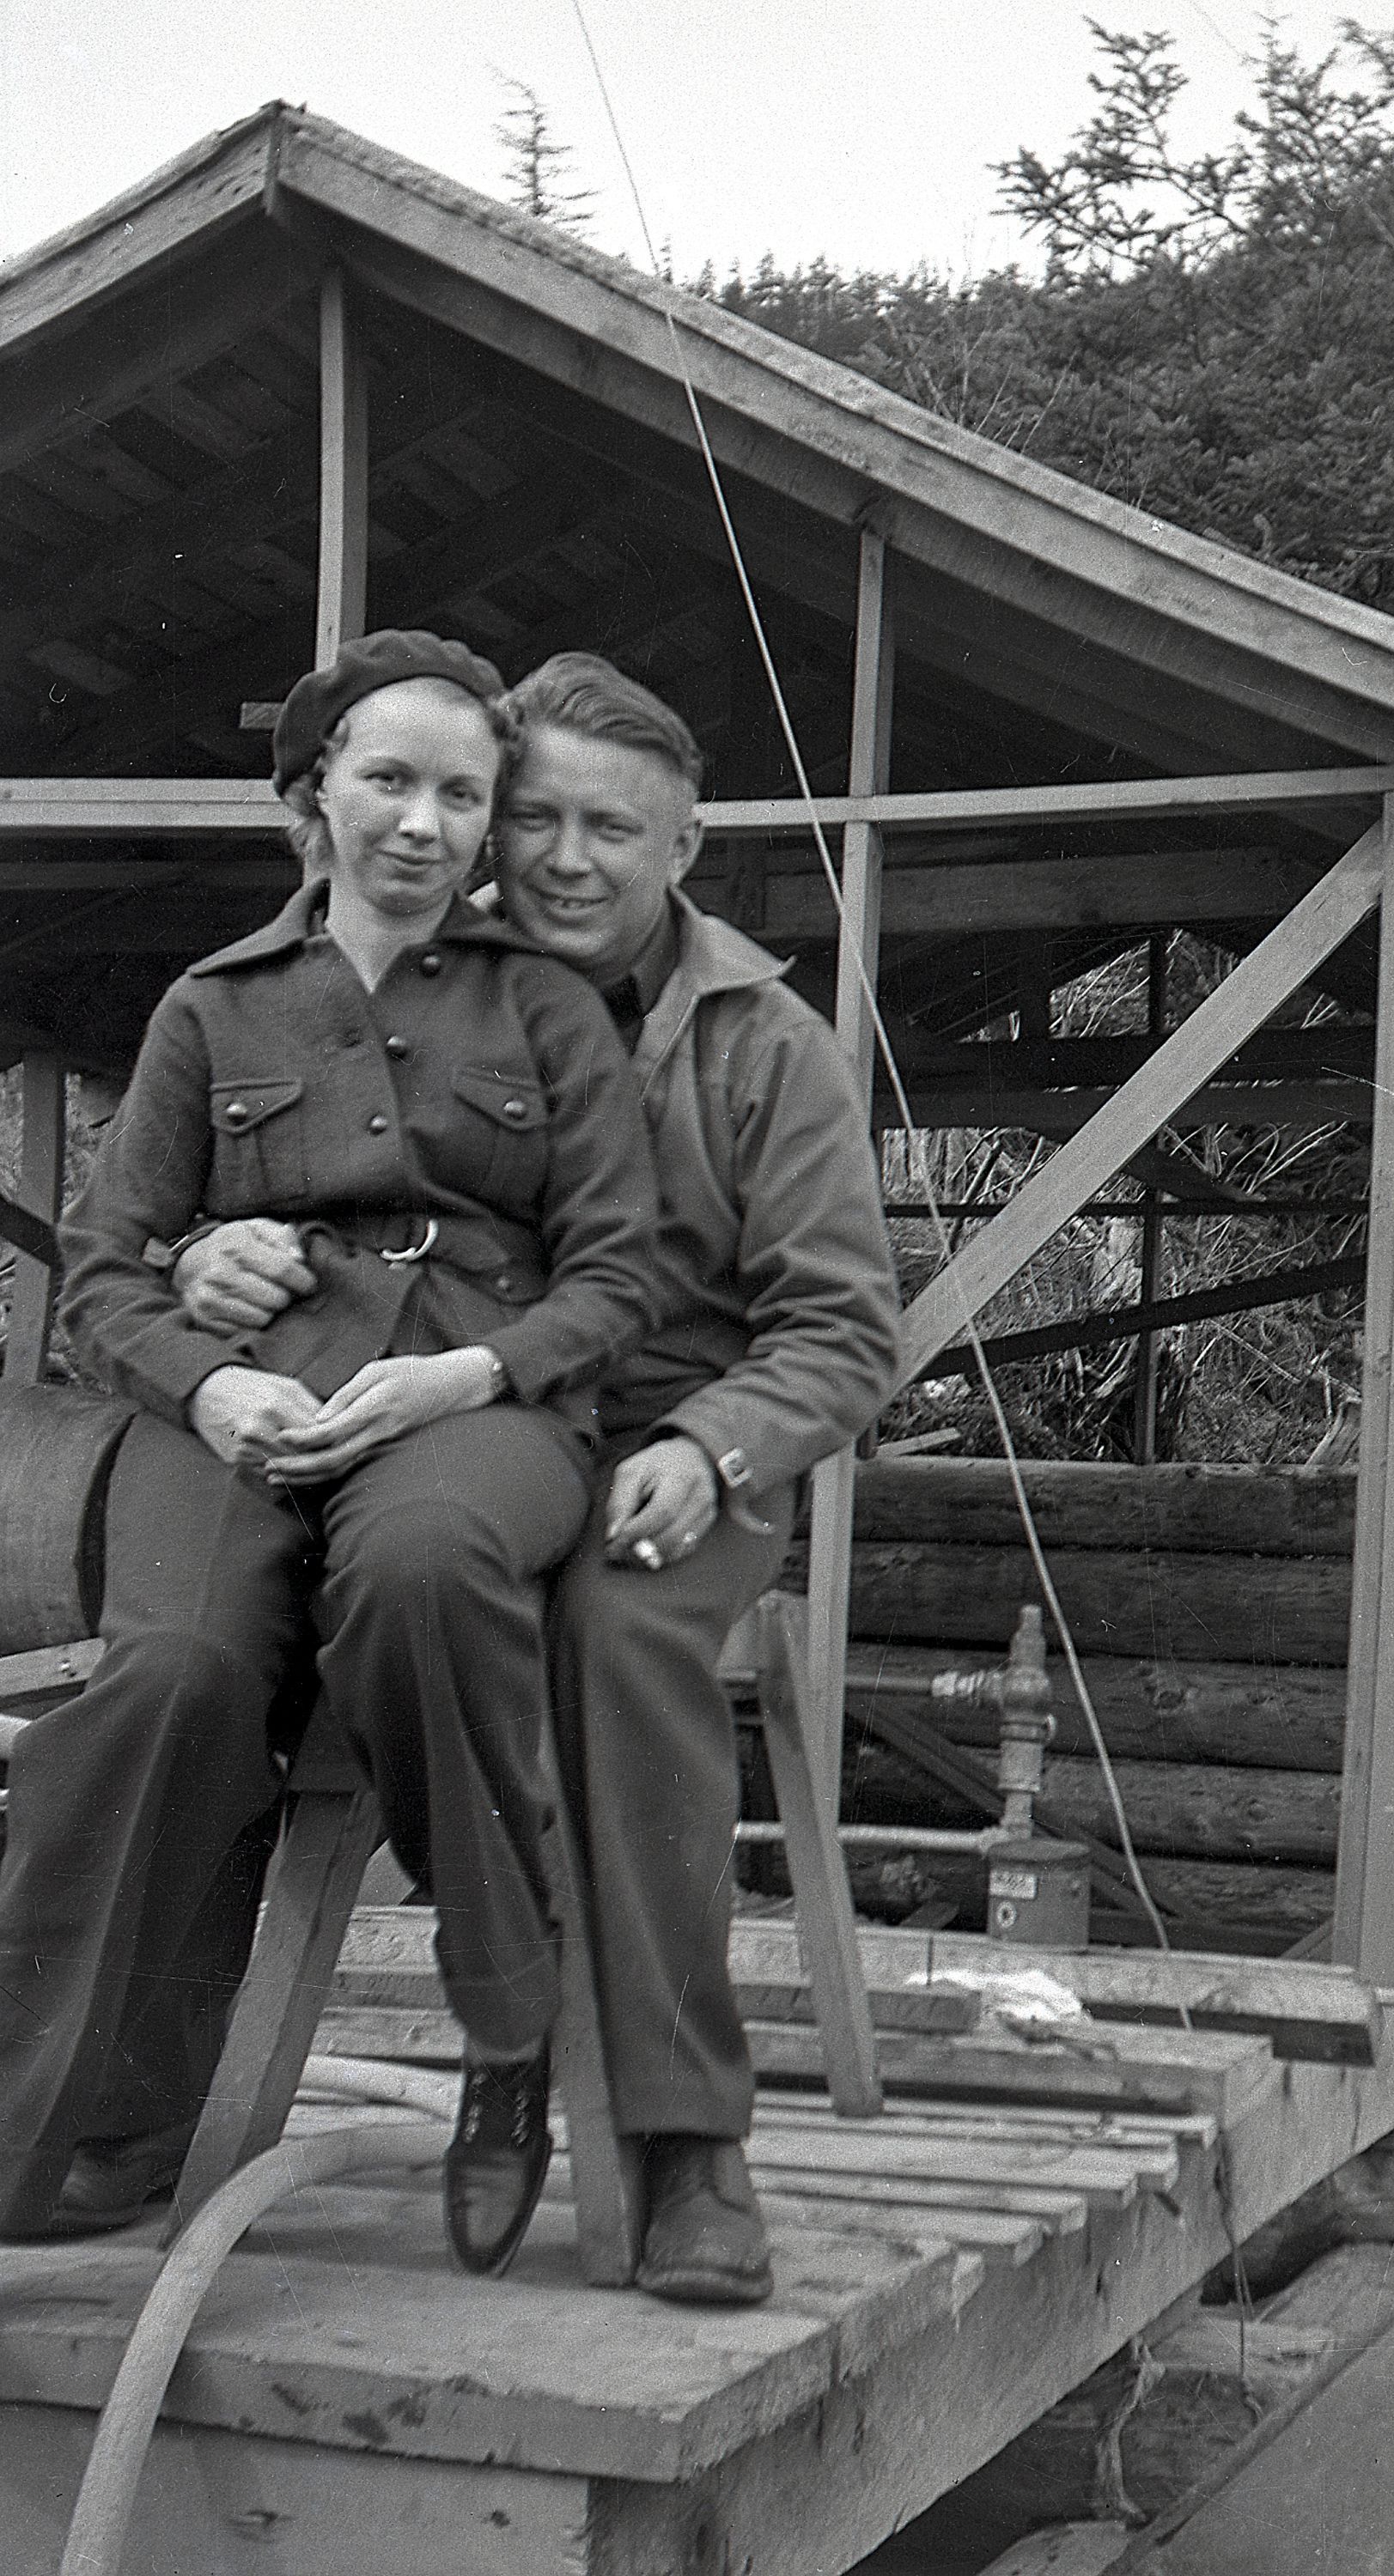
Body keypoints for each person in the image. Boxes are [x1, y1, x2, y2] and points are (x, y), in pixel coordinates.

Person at [173, 653, 904, 2303]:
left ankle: (683, 2136)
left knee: (616, 1641)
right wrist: (212, 1251)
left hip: (662, 1448)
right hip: (435, 1425)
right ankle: (167, 2095)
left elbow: (846, 1325)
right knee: (235, 1624)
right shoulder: (406, 974)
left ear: (685, 847)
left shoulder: (763, 1044)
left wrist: (713, 1449)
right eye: (542, 818)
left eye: (614, 829)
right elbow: (254, 1155)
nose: (568, 859)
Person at [0, 632, 662, 2279]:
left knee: (421, 1572)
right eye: (388, 781)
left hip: (478, 1406)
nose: (424, 823)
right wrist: (208, 1384)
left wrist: (470, 1374)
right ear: (313, 795)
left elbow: (622, 1278)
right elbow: (100, 1274)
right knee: (174, 1678)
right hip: (238, 1410)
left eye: (463, 794)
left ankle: (506, 2027)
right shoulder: (213, 1006)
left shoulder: (554, 1007)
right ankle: (61, 2128)